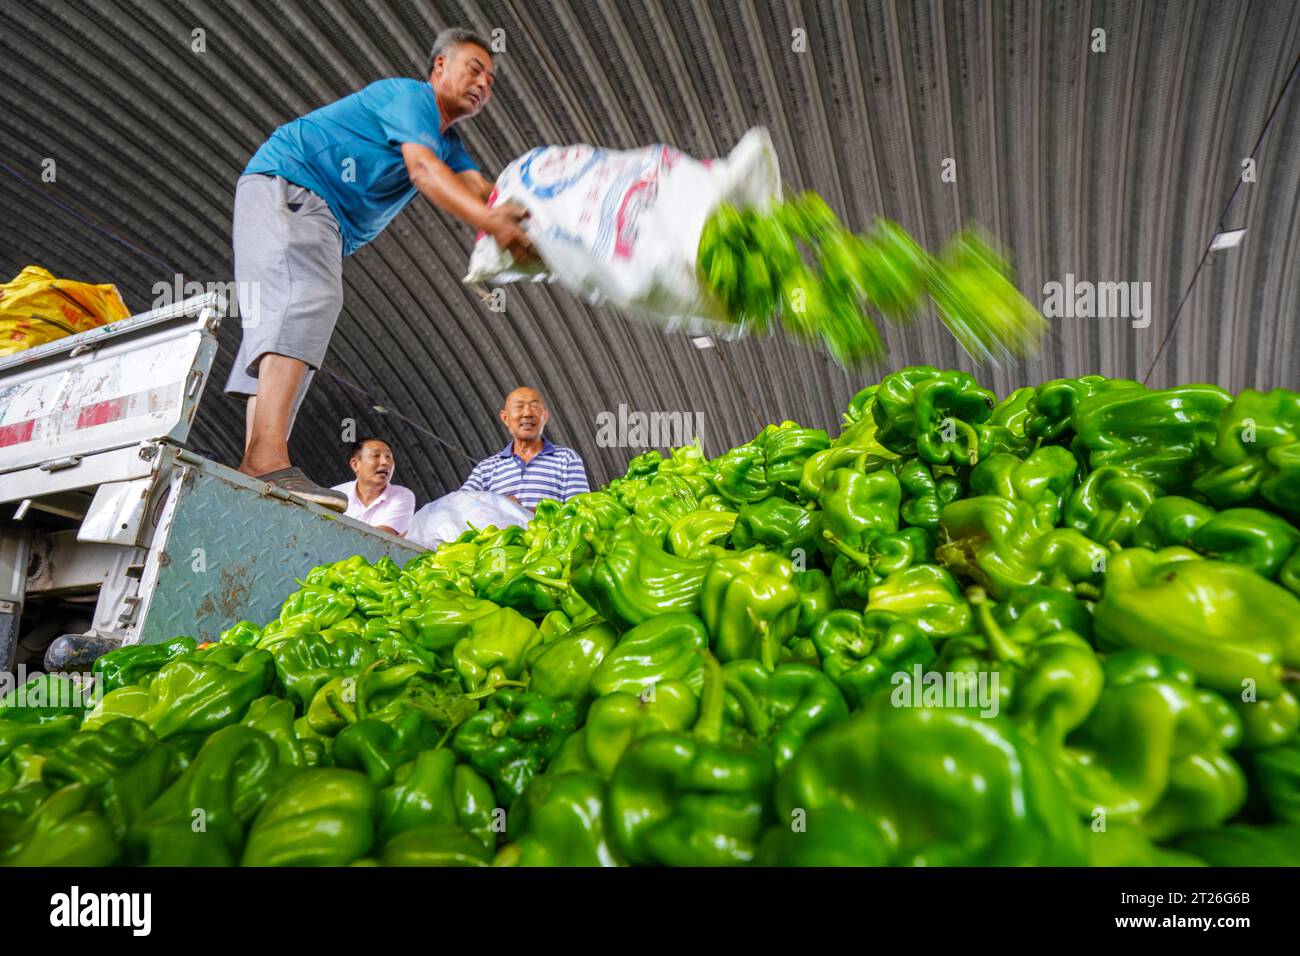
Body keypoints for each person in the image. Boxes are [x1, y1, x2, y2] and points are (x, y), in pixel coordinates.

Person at [224, 28, 533, 510]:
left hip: (314, 212)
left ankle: (256, 463)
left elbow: (481, 189)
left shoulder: (446, 141)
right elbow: (425, 173)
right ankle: (265, 457)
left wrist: (547, 226)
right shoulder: (411, 98)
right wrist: (491, 222)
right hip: (295, 186)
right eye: (474, 69)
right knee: (309, 300)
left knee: (285, 315)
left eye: (491, 80)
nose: (483, 84)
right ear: (439, 68)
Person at [460, 387, 589, 509]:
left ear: (544, 416)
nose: (527, 413)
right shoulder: (486, 469)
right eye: (519, 407)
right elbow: (460, 505)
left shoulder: (567, 459)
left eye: (534, 406)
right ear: (505, 418)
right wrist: (500, 504)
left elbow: (579, 511)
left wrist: (523, 512)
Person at [332, 438, 416, 535]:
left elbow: (380, 538)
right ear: (355, 465)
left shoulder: (402, 496)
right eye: (376, 455)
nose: (385, 462)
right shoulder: (336, 495)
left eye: (388, 456)